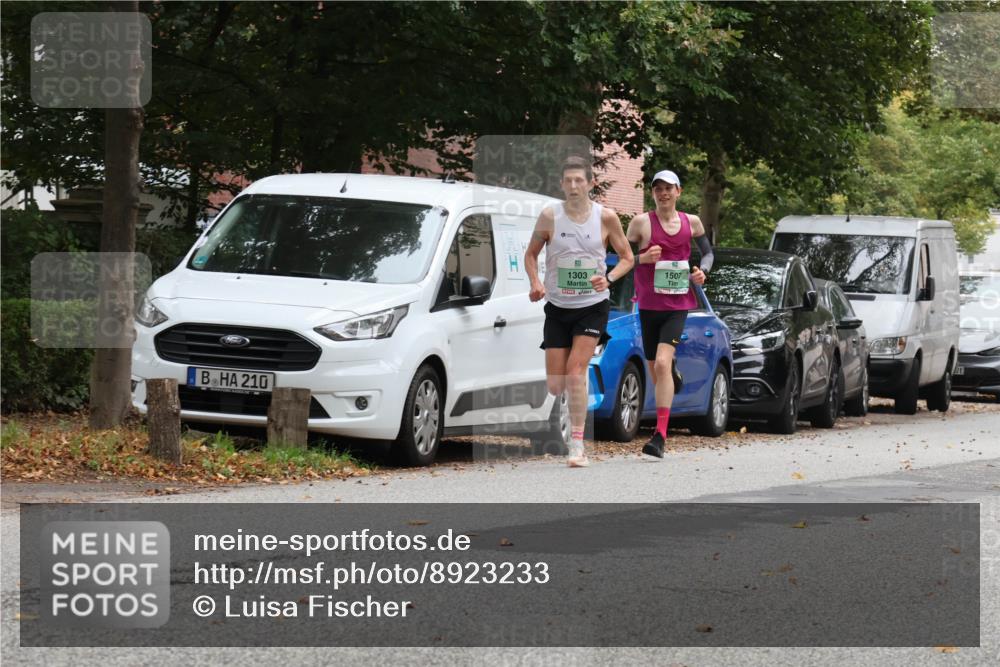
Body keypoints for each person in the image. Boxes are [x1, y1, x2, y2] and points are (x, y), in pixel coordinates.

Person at [524, 156, 634, 467]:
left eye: (579, 180)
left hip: (592, 307)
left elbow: (628, 257)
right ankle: (576, 386)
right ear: (562, 184)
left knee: (575, 372)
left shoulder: (606, 218)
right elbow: (530, 255)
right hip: (558, 307)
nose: (573, 186)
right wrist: (535, 282)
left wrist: (609, 278)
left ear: (590, 183)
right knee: (556, 383)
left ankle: (577, 445)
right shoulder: (550, 216)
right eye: (568, 180)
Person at [626, 169, 714, 458]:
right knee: (657, 369)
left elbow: (708, 254)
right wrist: (642, 258)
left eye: (669, 188)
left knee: (661, 364)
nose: (663, 194)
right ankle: (671, 371)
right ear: (652, 193)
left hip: (678, 306)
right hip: (649, 306)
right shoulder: (641, 224)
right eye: (658, 189)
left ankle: (659, 436)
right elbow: (623, 260)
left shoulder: (692, 222)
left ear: (679, 191)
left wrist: (703, 271)